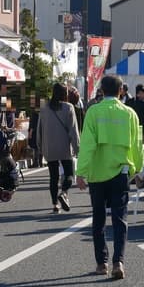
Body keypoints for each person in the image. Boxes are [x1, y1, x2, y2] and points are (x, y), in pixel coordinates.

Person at [75, 75, 144, 280]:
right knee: (119, 218)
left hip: (97, 173)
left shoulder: (94, 112)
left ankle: (101, 263)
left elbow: (87, 144)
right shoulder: (129, 113)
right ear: (121, 90)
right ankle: (118, 262)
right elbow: (137, 143)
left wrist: (81, 172)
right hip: (121, 171)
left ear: (101, 91)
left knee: (98, 219)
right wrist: (136, 168)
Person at [38, 83, 81, 214]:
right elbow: (74, 131)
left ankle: (55, 205)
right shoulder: (68, 107)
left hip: (49, 147)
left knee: (53, 177)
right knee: (69, 174)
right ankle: (63, 193)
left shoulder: (44, 108)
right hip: (64, 147)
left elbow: (40, 129)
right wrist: (78, 148)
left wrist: (40, 146)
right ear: (65, 94)